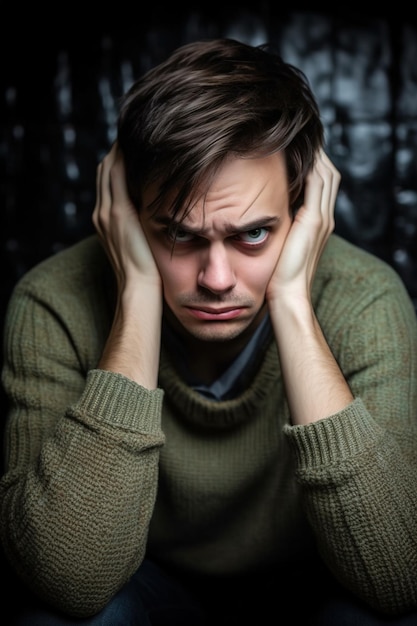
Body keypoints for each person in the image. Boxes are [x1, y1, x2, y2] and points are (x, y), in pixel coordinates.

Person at [0, 37, 417, 626]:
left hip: (315, 587)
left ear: (305, 214)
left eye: (252, 235)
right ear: (125, 212)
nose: (216, 279)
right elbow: (70, 579)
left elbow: (399, 577)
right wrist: (138, 294)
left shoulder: (366, 298)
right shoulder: (53, 302)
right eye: (179, 234)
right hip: (145, 585)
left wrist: (292, 302)